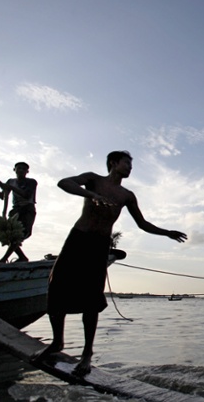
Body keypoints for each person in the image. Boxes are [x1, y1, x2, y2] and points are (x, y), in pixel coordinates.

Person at [37, 151, 187, 376]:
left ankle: (87, 354)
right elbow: (64, 183)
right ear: (113, 163)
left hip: (99, 245)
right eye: (126, 163)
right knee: (57, 286)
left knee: (91, 296)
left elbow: (142, 223)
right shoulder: (93, 179)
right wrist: (88, 193)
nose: (129, 168)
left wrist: (167, 233)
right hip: (78, 238)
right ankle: (57, 342)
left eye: (131, 165)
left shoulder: (127, 195)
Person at [0, 162, 38, 263]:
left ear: (27, 172)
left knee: (21, 234)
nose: (21, 170)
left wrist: (11, 188)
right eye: (19, 168)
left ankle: (4, 259)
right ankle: (22, 258)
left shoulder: (31, 182)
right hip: (15, 210)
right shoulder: (10, 181)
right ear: (14, 170)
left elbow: (26, 195)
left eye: (23, 169)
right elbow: (3, 197)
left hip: (27, 209)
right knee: (10, 235)